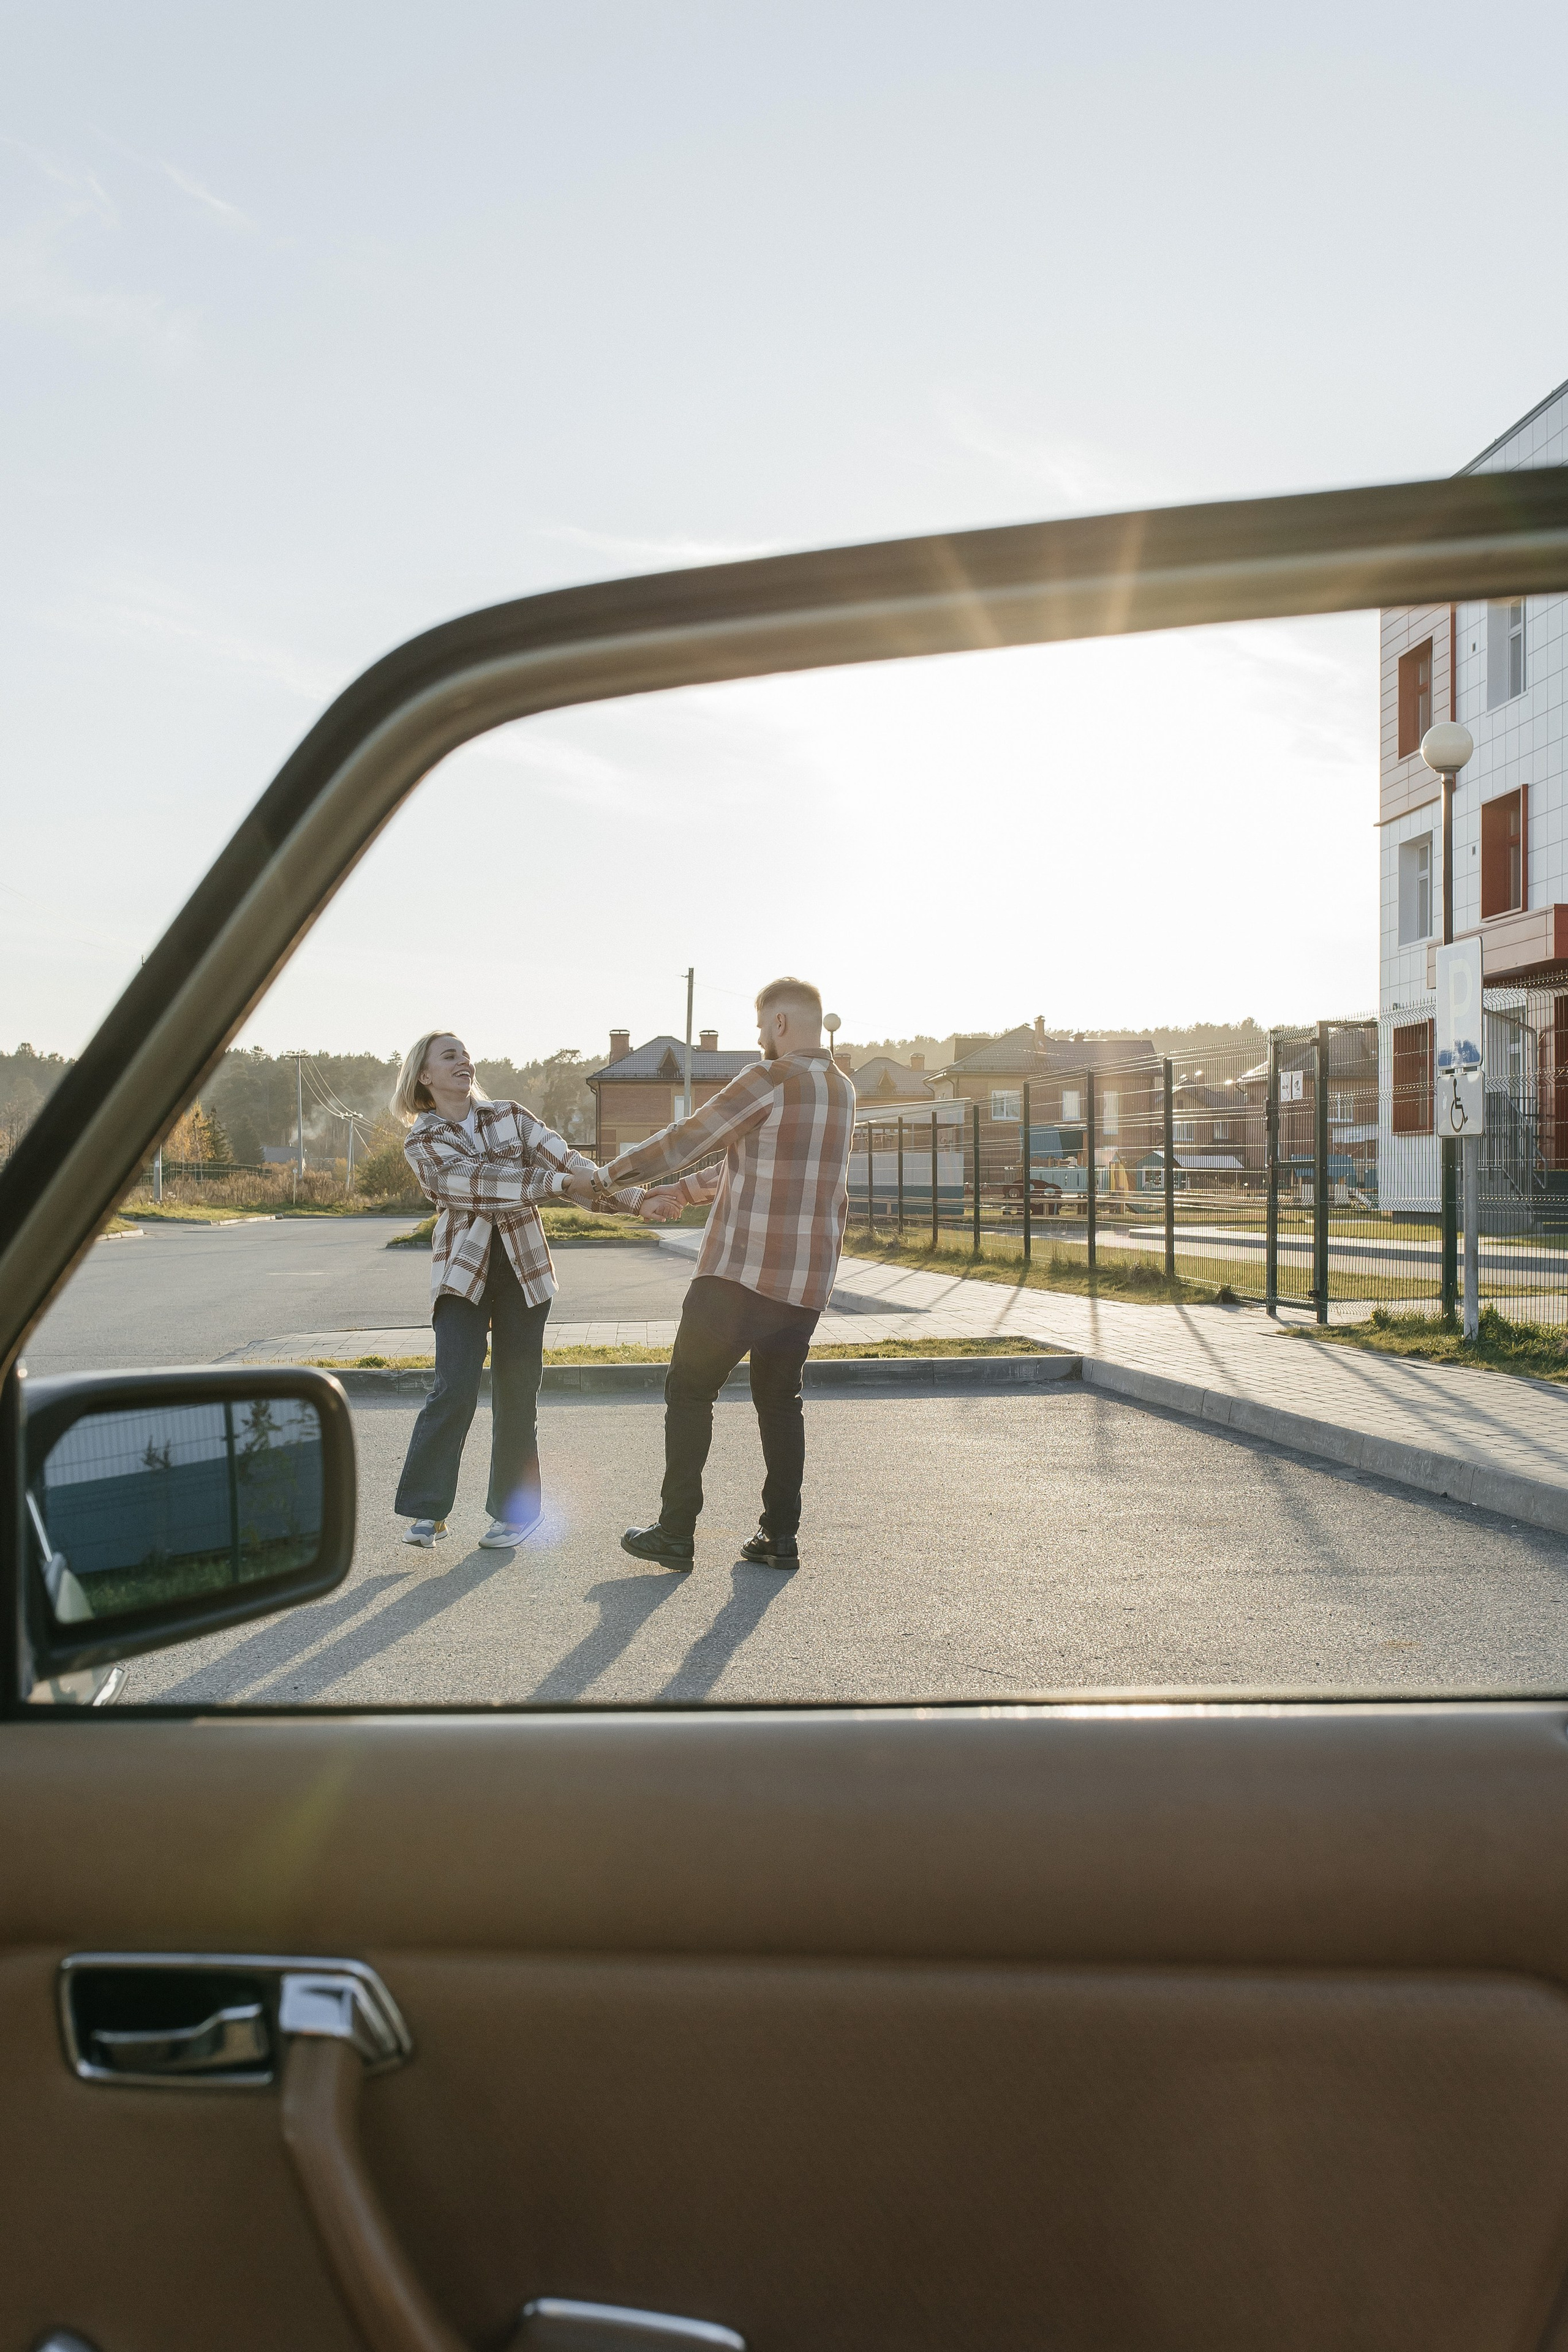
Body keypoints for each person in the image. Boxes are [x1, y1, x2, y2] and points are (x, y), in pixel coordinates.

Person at [594, 976, 855, 1570]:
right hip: (805, 1283)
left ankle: (675, 1532)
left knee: (690, 1392)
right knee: (781, 1403)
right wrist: (682, 1193)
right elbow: (754, 1162)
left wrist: (608, 1179)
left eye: (762, 1026)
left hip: (738, 1274)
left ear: (780, 1023)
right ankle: (779, 1537)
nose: (760, 1038)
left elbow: (690, 1137)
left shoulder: (771, 1077)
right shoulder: (842, 1090)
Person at [391, 1030, 638, 1550]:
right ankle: (428, 1511)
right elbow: (475, 1184)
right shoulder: (422, 1141)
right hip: (463, 1275)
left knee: (517, 1394)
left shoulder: (509, 1115)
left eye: (465, 1053)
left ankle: (515, 1513)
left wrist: (637, 1200)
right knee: (453, 1388)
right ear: (425, 1075)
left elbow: (571, 1164)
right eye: (449, 1055)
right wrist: (551, 1183)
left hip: (525, 1271)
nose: (464, 1060)